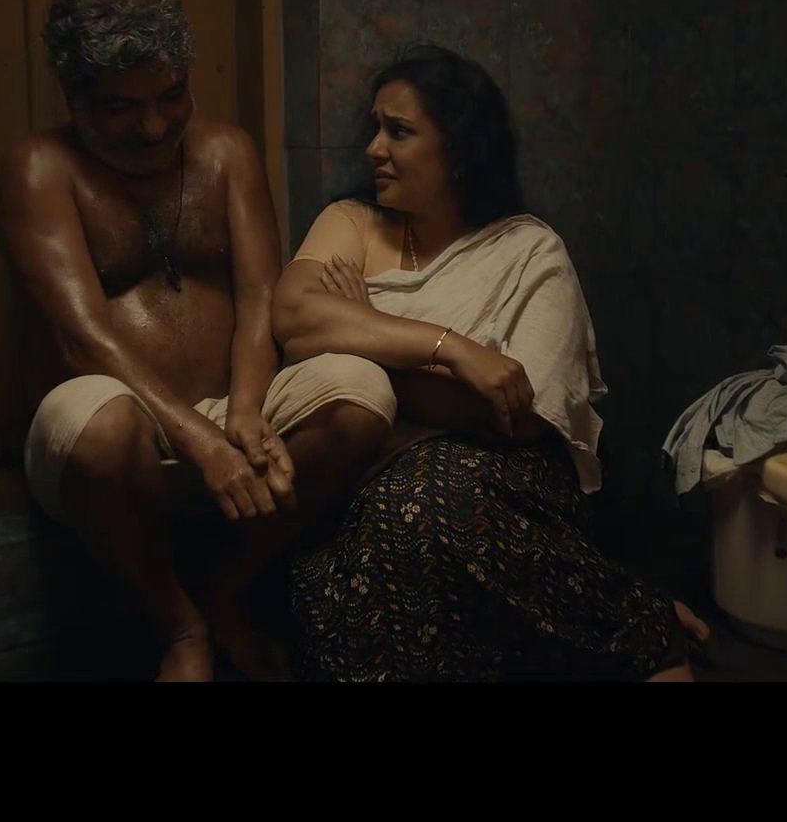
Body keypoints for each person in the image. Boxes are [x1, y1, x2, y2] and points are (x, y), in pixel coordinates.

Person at [0, 0, 397, 682]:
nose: (154, 127)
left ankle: (224, 592)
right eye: (121, 108)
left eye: (171, 95)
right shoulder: (38, 169)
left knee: (362, 392)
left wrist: (244, 412)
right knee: (101, 424)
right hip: (116, 429)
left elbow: (259, 297)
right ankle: (179, 626)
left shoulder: (227, 153)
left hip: (227, 412)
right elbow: (82, 337)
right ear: (73, 96)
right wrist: (202, 442)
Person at [271, 42, 709, 682]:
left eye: (399, 132)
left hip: (506, 470)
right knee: (369, 533)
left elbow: (515, 417)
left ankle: (641, 632)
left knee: (422, 504)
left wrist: (365, 340)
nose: (373, 148)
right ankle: (621, 613)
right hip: (361, 461)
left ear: (458, 150)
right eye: (374, 127)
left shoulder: (530, 251)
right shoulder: (351, 221)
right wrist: (451, 349)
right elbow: (294, 317)